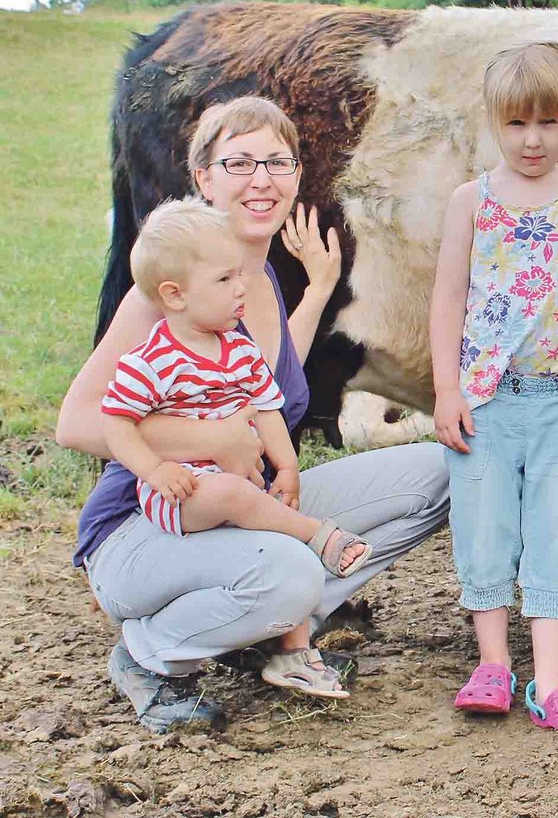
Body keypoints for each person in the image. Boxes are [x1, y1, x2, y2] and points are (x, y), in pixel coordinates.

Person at [57, 96, 450, 733]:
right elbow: (75, 424)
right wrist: (213, 435)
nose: (261, 179)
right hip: (149, 522)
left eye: (277, 161)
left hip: (245, 501)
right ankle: (150, 653)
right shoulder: (167, 293)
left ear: (298, 176)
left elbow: (268, 380)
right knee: (291, 568)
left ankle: (273, 630)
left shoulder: (257, 280)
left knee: (441, 471)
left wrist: (319, 287)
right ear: (203, 179)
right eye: (238, 163)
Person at [100, 198, 373, 700]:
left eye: (240, 275)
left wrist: (287, 465)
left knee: (267, 520)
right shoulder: (151, 360)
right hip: (179, 495)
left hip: (241, 489)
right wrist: (154, 469)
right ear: (175, 296)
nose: (241, 287)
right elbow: (117, 424)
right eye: (224, 280)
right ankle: (318, 536)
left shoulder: (238, 347)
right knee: (241, 498)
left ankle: (293, 653)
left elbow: (267, 407)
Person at [429, 42, 558, 738]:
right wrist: (446, 388)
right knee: (485, 527)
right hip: (486, 397)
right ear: (493, 123)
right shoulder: (471, 202)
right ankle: (492, 664)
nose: (532, 139)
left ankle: (550, 680)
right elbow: (449, 296)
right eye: (516, 124)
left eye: (547, 121)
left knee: (554, 529)